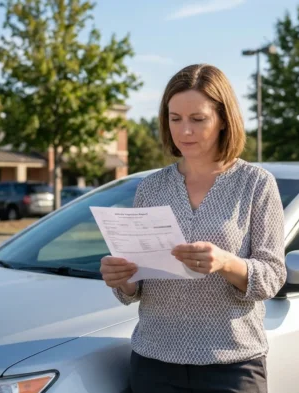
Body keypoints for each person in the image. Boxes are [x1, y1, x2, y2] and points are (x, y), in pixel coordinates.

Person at [99, 64, 287, 393]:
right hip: (154, 362)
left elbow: (272, 276)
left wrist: (227, 264)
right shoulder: (150, 188)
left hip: (231, 365)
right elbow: (137, 287)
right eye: (175, 119)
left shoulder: (256, 185)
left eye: (198, 119)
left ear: (224, 120)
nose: (185, 131)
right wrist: (123, 280)